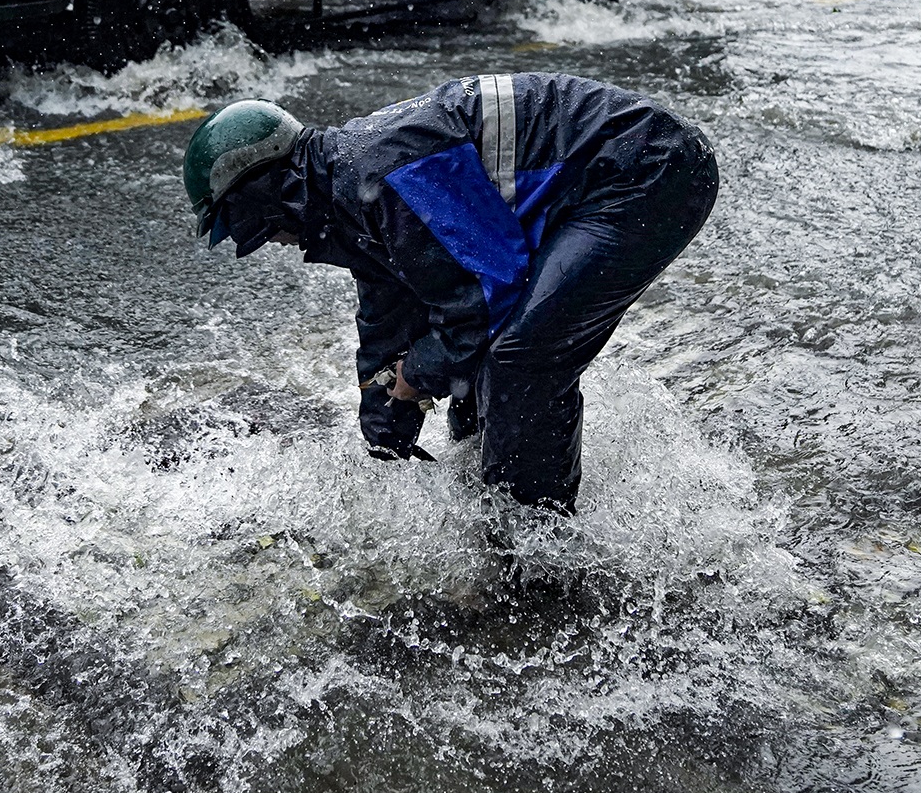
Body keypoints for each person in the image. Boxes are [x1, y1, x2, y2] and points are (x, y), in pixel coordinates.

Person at [183, 75, 719, 513]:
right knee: (474, 367)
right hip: (605, 175)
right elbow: (387, 311)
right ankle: (496, 490)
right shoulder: (348, 190)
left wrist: (413, 380)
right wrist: (382, 423)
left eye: (255, 229)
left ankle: (535, 547)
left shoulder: (381, 172)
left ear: (269, 193)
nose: (269, 243)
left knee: (519, 359)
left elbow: (485, 301)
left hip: (648, 170)